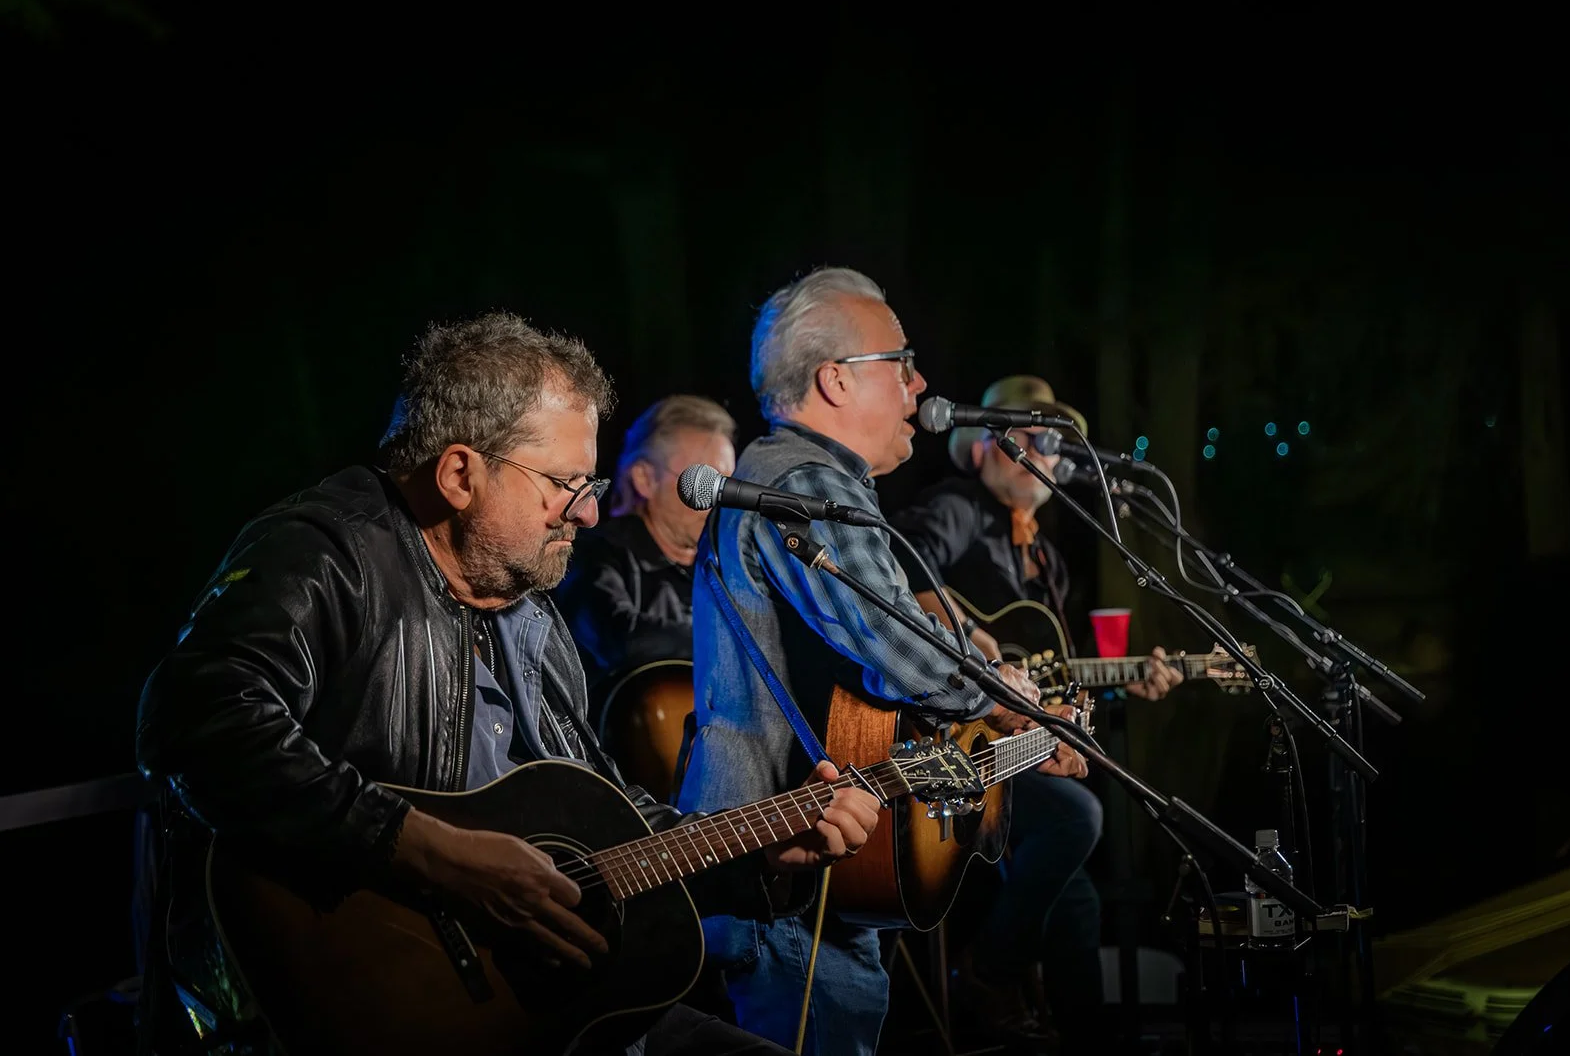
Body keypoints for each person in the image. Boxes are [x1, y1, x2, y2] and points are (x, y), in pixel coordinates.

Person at [134, 312, 882, 1056]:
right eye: (566, 483)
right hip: (376, 1017)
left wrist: (759, 857)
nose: (589, 510)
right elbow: (196, 721)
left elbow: (613, 833)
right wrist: (438, 855)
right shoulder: (330, 553)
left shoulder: (531, 617)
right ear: (461, 473)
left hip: (551, 1013)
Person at [675, 268, 1089, 1056]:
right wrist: (1016, 705)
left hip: (812, 875)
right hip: (784, 878)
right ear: (834, 379)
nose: (921, 382)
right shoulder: (801, 483)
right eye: (899, 361)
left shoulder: (813, 483)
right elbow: (900, 649)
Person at [891, 374, 1184, 1045]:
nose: (1048, 451)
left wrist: (1118, 683)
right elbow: (901, 584)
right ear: (989, 445)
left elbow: (1045, 674)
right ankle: (990, 970)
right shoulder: (957, 507)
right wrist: (986, 655)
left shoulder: (1047, 556)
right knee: (1079, 818)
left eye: (1055, 441)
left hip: (1013, 744)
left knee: (1076, 894)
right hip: (948, 744)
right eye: (1035, 435)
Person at [554, 394, 737, 721]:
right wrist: (735, 637)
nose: (717, 501)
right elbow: (620, 637)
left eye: (723, 485)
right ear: (644, 478)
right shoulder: (593, 551)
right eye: (703, 483)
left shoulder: (723, 570)